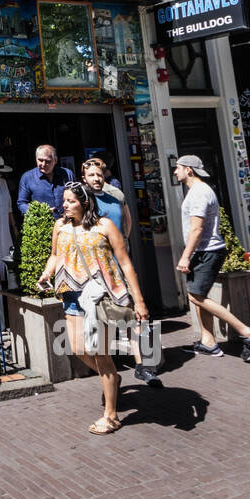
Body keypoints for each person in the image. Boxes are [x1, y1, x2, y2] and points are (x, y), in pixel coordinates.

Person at [36, 182, 150, 434]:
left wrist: (138, 299)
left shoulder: (104, 226)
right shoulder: (60, 226)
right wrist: (46, 273)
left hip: (100, 294)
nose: (64, 205)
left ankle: (111, 415)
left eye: (70, 201)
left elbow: (125, 263)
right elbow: (55, 255)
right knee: (77, 348)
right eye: (64, 200)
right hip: (72, 293)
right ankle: (112, 378)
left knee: (100, 352)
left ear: (85, 203)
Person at [174, 155, 250, 361]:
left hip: (206, 251)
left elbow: (197, 228)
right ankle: (209, 342)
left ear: (189, 170)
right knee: (200, 296)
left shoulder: (199, 193)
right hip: (205, 251)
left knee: (195, 296)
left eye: (177, 168)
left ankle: (249, 333)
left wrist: (185, 256)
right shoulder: (198, 191)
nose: (175, 171)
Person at [82, 158, 159, 386]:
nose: (96, 179)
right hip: (95, 270)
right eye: (91, 175)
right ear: (84, 178)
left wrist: (120, 246)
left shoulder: (114, 197)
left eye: (99, 174)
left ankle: (143, 365)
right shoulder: (83, 202)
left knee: (131, 313)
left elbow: (127, 223)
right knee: (101, 318)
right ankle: (109, 373)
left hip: (117, 265)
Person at [17, 144, 74, 218]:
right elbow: (22, 203)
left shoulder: (67, 174)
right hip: (41, 224)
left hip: (67, 222)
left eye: (48, 161)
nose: (43, 164)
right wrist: (39, 212)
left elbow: (75, 197)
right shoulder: (27, 177)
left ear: (55, 160)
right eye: (40, 160)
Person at [0, 155, 18, 289]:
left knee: (7, 252)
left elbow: (9, 207)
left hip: (5, 226)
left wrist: (14, 227)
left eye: (0, 173)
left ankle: (8, 283)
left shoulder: (3, 183)